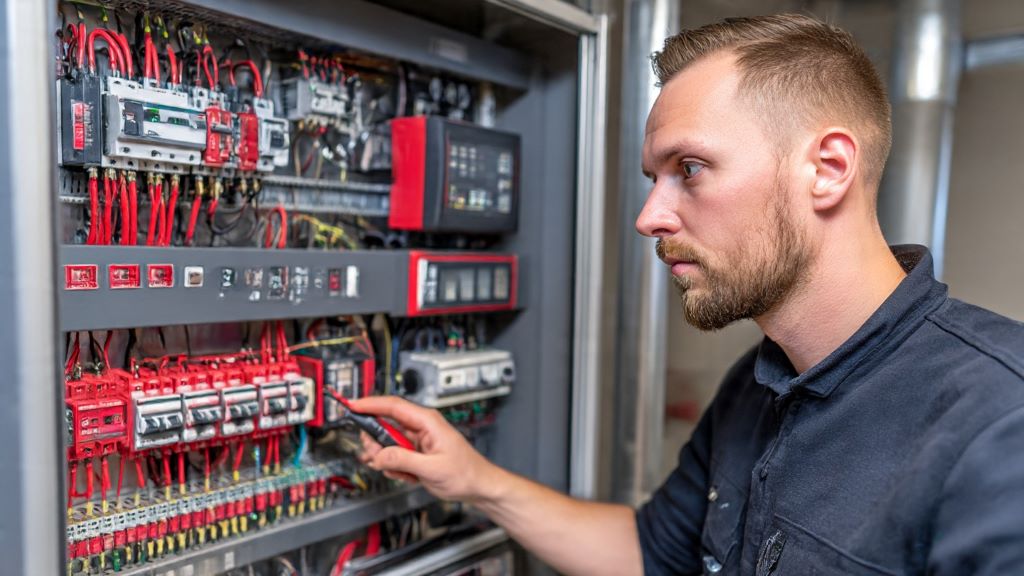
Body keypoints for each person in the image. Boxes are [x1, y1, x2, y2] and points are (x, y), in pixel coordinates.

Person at [351, 13, 1024, 576]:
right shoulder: (757, 386)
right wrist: (477, 482)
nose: (650, 217)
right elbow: (650, 553)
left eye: (690, 169)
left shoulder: (1000, 423)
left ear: (828, 170)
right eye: (655, 177)